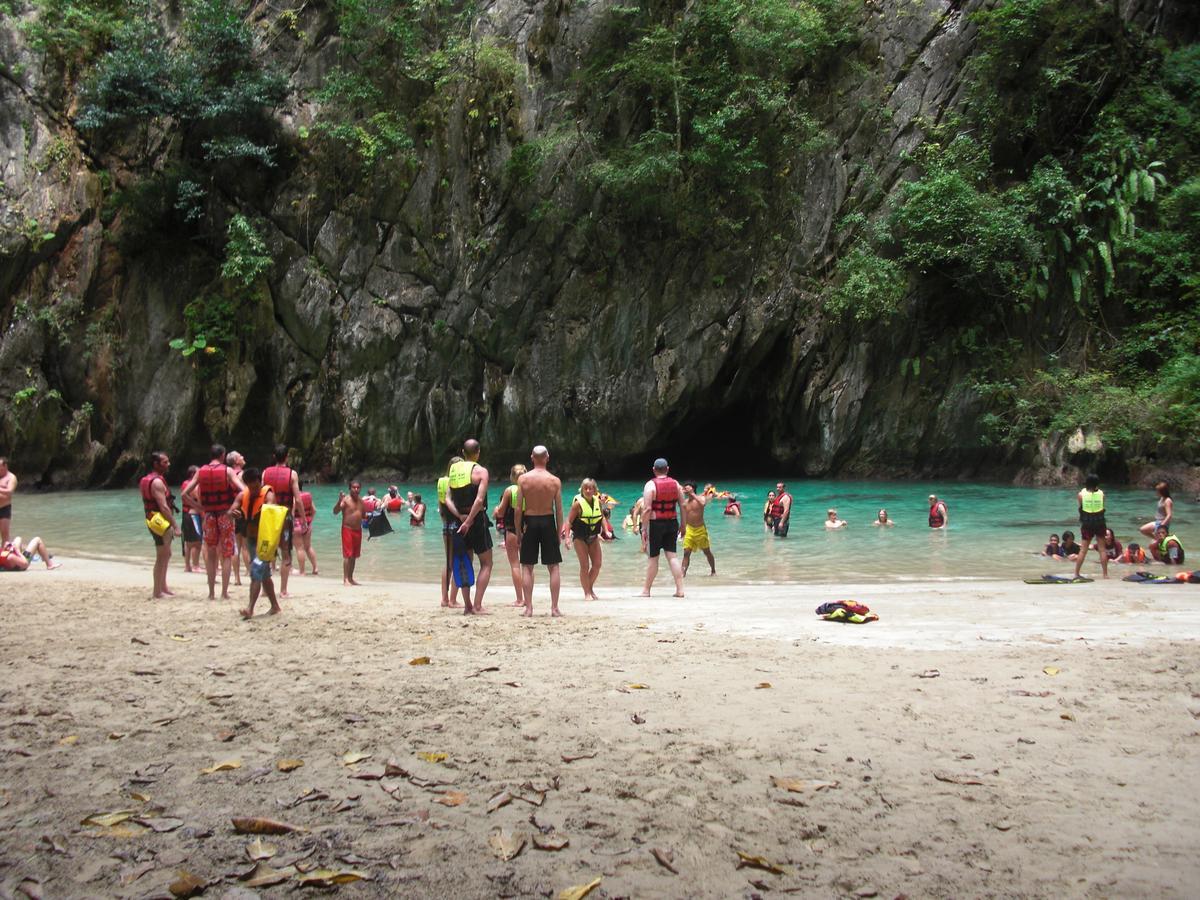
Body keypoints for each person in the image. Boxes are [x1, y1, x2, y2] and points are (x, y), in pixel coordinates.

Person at [182, 444, 246, 601]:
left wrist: (200, 507)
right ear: (223, 455)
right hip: (225, 515)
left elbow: (184, 494)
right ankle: (224, 593)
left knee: (211, 554)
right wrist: (234, 507)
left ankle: (211, 593)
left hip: (209, 515)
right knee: (227, 554)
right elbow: (244, 490)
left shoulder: (200, 471)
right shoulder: (227, 471)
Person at [444, 439, 494, 614]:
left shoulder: (454, 469)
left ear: (463, 453)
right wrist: (469, 520)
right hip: (476, 520)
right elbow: (479, 500)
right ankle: (478, 605)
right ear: (478, 452)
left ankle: (467, 605)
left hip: (459, 521)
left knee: (465, 562)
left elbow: (447, 498)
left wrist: (460, 517)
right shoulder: (481, 471)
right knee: (487, 563)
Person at [514, 446, 564, 617]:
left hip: (530, 521)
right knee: (554, 566)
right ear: (547, 457)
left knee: (527, 566)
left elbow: (518, 508)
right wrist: (559, 532)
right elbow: (559, 510)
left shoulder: (523, 480)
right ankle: (554, 608)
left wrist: (518, 531)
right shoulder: (555, 481)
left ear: (532, 458)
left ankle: (528, 608)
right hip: (548, 521)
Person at [232, 467, 281, 619]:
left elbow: (272, 509)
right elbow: (230, 511)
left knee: (256, 572)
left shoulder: (268, 494)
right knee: (264, 575)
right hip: (251, 539)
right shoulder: (243, 495)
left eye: (255, 486)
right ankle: (275, 606)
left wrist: (269, 508)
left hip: (266, 540)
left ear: (260, 482)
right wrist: (233, 512)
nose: (253, 490)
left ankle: (250, 608)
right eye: (250, 487)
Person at [262, 444, 304, 598]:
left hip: (268, 515)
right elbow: (298, 500)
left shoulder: (265, 473)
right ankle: (283, 590)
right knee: (286, 553)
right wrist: (304, 520)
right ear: (287, 457)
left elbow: (262, 494)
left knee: (266, 552)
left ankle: (264, 590)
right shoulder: (292, 474)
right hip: (285, 515)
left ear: (274, 456)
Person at [640, 458, 685, 597]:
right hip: (672, 522)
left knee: (653, 558)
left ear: (654, 470)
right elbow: (683, 505)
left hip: (655, 524)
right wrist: (683, 525)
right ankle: (680, 590)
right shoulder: (676, 484)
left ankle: (646, 591)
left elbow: (647, 509)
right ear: (668, 469)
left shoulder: (650, 485)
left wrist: (643, 528)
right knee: (672, 556)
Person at [140, 450, 181, 599]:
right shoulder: (156, 482)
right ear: (156, 464)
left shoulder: (148, 479)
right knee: (162, 556)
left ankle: (163, 587)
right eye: (165, 462)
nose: (168, 464)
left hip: (153, 519)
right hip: (159, 521)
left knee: (166, 554)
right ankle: (157, 592)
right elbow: (163, 507)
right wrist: (175, 526)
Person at [493, 464, 527, 608]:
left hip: (512, 530)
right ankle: (528, 598)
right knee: (527, 566)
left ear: (512, 477)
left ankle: (520, 599)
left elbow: (500, 513)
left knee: (515, 565)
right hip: (528, 530)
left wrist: (495, 511)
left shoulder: (510, 491)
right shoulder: (531, 490)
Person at [565, 477, 604, 600]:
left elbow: (600, 517)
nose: (588, 490)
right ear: (582, 489)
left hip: (593, 537)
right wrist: (567, 538)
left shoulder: (597, 502)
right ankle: (587, 593)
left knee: (597, 565)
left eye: (591, 488)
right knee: (585, 566)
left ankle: (590, 588)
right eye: (585, 488)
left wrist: (606, 531)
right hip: (580, 538)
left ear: (595, 490)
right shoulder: (577, 504)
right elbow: (569, 521)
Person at [437, 459, 462, 609]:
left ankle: (445, 599)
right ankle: (452, 600)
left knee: (448, 562)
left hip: (445, 524)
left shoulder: (441, 482)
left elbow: (441, 507)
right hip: (456, 524)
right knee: (457, 562)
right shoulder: (455, 483)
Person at [1073, 473, 1109, 580]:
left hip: (1087, 524)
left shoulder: (1081, 495)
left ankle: (1076, 573)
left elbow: (1081, 506)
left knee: (1083, 550)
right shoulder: (1102, 494)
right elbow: (1102, 505)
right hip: (1100, 523)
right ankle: (1105, 575)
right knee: (1102, 550)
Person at [680, 481, 716, 576]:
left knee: (707, 552)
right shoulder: (685, 503)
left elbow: (703, 503)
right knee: (686, 553)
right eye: (685, 488)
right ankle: (682, 574)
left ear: (692, 489)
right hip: (689, 530)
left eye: (688, 488)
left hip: (700, 530)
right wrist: (682, 528)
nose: (686, 490)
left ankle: (713, 571)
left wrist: (692, 494)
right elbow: (683, 517)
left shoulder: (701, 498)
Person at [334, 481, 366, 585]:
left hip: (358, 530)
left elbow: (364, 515)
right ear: (350, 488)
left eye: (358, 487)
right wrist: (339, 501)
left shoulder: (361, 501)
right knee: (348, 555)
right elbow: (335, 511)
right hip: (347, 529)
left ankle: (351, 578)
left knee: (354, 556)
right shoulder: (346, 500)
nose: (356, 489)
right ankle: (345, 579)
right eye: (354, 487)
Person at [226, 451, 246, 586]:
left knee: (235, 547)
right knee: (245, 546)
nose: (243, 457)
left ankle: (237, 578)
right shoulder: (242, 474)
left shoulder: (226, 475)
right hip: (242, 512)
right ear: (236, 462)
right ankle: (251, 574)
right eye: (241, 456)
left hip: (231, 512)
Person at [180, 465, 203, 573]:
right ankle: (196, 565)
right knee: (196, 542)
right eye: (198, 473)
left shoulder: (185, 483)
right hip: (194, 515)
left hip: (186, 515)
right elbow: (199, 501)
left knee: (188, 542)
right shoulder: (194, 486)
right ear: (193, 474)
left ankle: (187, 566)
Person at [294, 481, 319, 575]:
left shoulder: (294, 497)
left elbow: (292, 512)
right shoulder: (308, 495)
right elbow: (314, 510)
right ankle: (315, 568)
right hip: (308, 524)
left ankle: (302, 571)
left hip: (297, 524)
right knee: (308, 547)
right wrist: (309, 521)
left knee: (299, 548)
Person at [0, 457, 16, 545]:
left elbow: (9, 492)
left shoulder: (11, 477)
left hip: (4, 508)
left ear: (5, 466)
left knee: (4, 534)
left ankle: (4, 556)